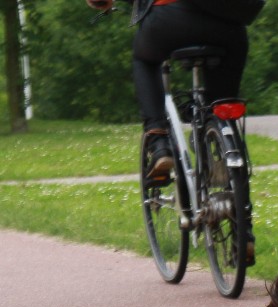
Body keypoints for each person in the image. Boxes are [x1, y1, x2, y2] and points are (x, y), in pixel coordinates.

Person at [86, 0, 262, 186]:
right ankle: (221, 128)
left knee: (144, 60)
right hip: (227, 25)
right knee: (221, 101)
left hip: (169, 21)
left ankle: (158, 141)